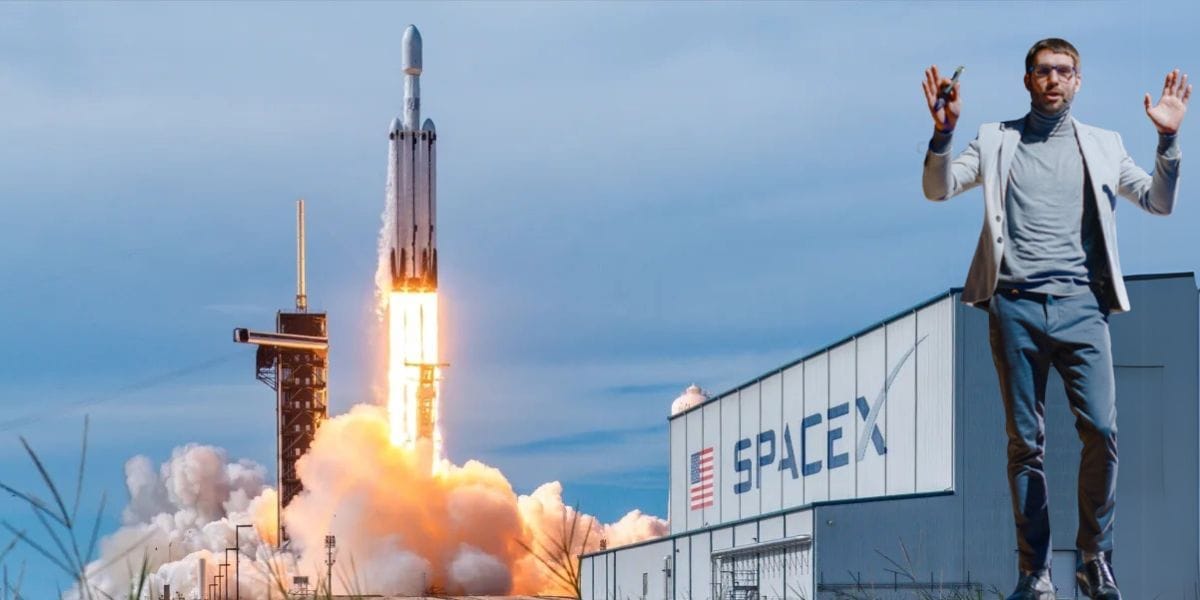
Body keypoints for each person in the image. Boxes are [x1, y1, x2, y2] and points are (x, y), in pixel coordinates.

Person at [920, 38, 1190, 600]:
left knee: (1103, 431)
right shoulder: (997, 140)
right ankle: (1034, 573)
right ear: (1027, 81)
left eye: (1064, 71)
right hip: (1014, 305)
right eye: (1043, 71)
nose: (1053, 80)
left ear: (1078, 81)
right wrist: (943, 133)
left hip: (1083, 307)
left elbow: (1159, 201)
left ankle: (1094, 556)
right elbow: (937, 188)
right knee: (1026, 443)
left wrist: (1168, 138)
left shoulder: (1104, 144)